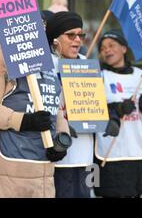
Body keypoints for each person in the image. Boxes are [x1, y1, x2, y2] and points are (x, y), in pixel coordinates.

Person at [0, 21, 70, 198]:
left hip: (42, 172)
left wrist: (61, 141)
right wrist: (24, 121)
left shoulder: (49, 62)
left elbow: (57, 109)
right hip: (4, 172)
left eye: (42, 26)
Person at [94, 30, 142, 198]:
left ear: (124, 49)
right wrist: (117, 108)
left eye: (111, 45)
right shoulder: (100, 76)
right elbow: (92, 108)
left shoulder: (140, 75)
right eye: (103, 48)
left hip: (136, 149)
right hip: (111, 151)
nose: (107, 50)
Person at [45, 11, 93, 198]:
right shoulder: (45, 65)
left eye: (80, 34)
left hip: (84, 153)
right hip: (56, 155)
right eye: (70, 35)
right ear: (55, 38)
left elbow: (98, 102)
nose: (77, 40)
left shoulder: (87, 64)